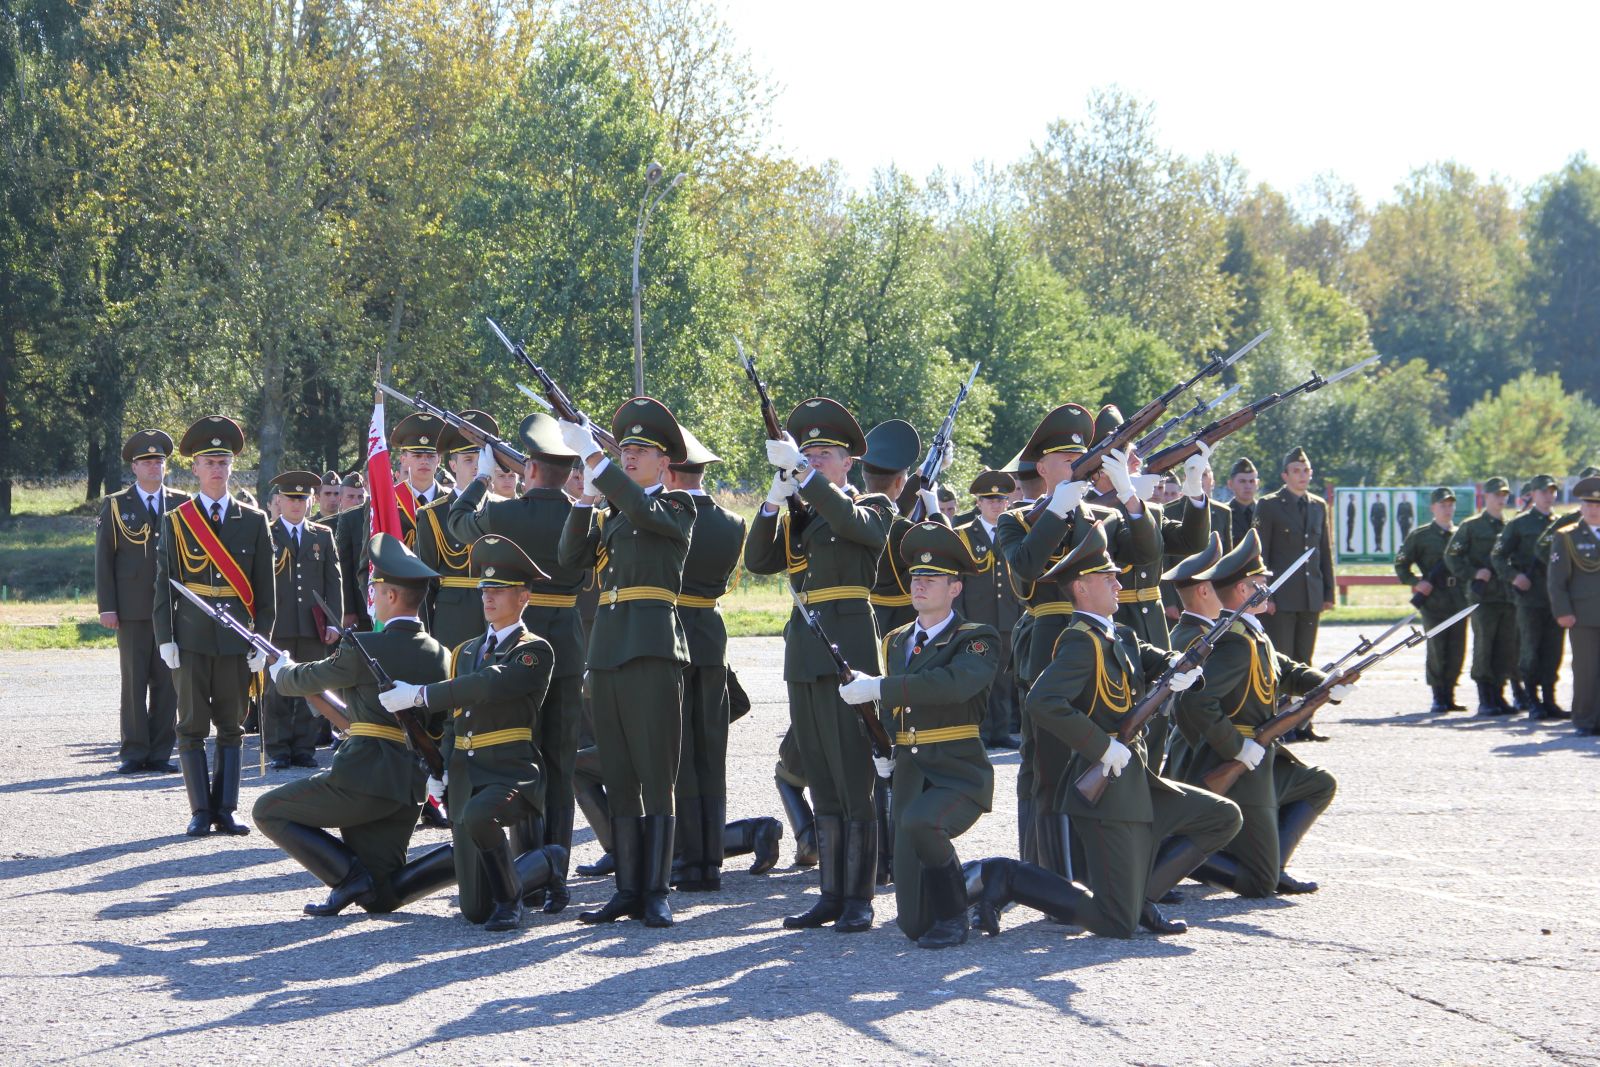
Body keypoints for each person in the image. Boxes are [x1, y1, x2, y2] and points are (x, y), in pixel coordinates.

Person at [973, 522, 1240, 938]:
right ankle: (1008, 877)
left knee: (1222, 817)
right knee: (1116, 924)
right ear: (1080, 587)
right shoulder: (1081, 641)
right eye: (1107, 576)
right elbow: (1043, 702)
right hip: (1108, 789)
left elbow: (1163, 659)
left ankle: (1143, 897)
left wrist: (1187, 673)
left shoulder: (1121, 634)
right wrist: (1101, 747)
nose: (1118, 583)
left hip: (1139, 782)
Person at [744, 397, 895, 932]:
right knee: (823, 775)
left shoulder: (873, 504)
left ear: (848, 462)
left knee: (854, 775)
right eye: (806, 452)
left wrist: (806, 479)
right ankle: (830, 893)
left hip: (847, 645)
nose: (814, 460)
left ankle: (860, 896)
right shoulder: (802, 514)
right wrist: (771, 501)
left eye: (825, 454)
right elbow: (758, 562)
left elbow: (864, 530)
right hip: (805, 652)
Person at [995, 403, 1159, 876]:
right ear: (1042, 468)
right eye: (1064, 460)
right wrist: (1058, 509)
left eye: (1079, 458)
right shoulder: (1020, 518)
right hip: (1049, 638)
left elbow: (1146, 553)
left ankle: (1095, 869)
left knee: (1098, 751)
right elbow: (1025, 567)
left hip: (1098, 647)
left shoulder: (1101, 517)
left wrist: (1129, 496)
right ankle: (1045, 872)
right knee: (1046, 764)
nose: (1073, 467)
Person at [255, 534, 457, 916]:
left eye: (376, 590)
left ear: (393, 597)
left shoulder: (365, 645)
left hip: (361, 777)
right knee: (379, 897)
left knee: (268, 809)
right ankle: (456, 862)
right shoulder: (440, 653)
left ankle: (348, 877)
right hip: (407, 786)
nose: (373, 598)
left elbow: (306, 678)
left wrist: (281, 669)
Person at [380, 535, 569, 930]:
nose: (488, 597)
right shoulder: (466, 650)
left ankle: (511, 902)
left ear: (524, 598)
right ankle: (547, 862)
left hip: (510, 771)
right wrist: (441, 769)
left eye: (499, 590)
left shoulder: (533, 650)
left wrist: (419, 695)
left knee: (483, 818)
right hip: (468, 773)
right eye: (485, 589)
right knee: (473, 909)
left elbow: (487, 685)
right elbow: (454, 720)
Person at [559, 398, 696, 928]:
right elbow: (571, 560)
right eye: (627, 449)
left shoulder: (678, 508)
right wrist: (583, 500)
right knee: (618, 773)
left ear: (665, 464)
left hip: (653, 648)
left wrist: (596, 460)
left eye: (641, 451)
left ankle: (657, 890)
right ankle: (626, 888)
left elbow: (643, 509)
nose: (631, 456)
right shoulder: (614, 512)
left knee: (654, 772)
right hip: (610, 649)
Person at [447, 413, 587, 911]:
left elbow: (457, 525)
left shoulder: (505, 514)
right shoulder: (582, 514)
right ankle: (557, 873)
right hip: (568, 647)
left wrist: (483, 478)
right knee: (559, 761)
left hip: (515, 646)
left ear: (527, 468)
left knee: (520, 760)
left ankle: (529, 866)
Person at [837, 521, 999, 949]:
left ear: (955, 588)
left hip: (957, 771)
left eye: (931, 579)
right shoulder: (896, 640)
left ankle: (957, 917)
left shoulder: (977, 640)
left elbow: (952, 685)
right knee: (912, 923)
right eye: (915, 578)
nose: (920, 585)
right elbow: (897, 710)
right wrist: (884, 746)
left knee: (923, 822)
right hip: (911, 774)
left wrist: (878, 687)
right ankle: (985, 882)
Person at [1170, 530, 1346, 897]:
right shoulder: (1233, 642)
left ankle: (1269, 861)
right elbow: (1195, 702)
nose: (1266, 587)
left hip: (1264, 756)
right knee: (1260, 884)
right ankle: (1179, 854)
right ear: (1240, 592)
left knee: (1319, 783)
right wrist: (1237, 748)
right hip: (1242, 759)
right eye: (1258, 583)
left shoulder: (1252, 634)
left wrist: (1327, 683)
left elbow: (1286, 669)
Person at [154, 415, 276, 837]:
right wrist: (165, 637)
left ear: (231, 467)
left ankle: (227, 808)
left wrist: (264, 639)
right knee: (190, 724)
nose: (218, 469)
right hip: (189, 638)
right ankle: (199, 811)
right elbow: (163, 585)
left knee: (232, 724)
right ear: (195, 468)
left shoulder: (254, 519)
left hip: (236, 640)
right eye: (209, 462)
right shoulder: (176, 520)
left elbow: (265, 589)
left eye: (224, 461)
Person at [665, 426, 770, 891]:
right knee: (712, 753)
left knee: (682, 756)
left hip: (671, 636)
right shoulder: (733, 522)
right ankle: (710, 857)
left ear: (668, 469)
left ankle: (689, 859)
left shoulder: (664, 515)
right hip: (711, 635)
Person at [97, 429, 187, 775]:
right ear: (133, 467)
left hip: (173, 608)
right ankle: (134, 750)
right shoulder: (116, 504)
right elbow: (104, 559)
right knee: (134, 680)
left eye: (159, 461)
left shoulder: (181, 503)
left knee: (168, 681)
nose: (154, 466)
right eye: (146, 461)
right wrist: (107, 606)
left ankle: (161, 751)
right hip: (132, 608)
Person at [1253, 446, 1336, 740]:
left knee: (1305, 660)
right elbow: (1259, 552)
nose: (1302, 476)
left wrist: (1328, 592)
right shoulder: (1269, 505)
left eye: (1306, 471)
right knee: (1281, 661)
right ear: (1285, 475)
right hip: (1281, 598)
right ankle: (1278, 725)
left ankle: (1303, 723)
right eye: (1296, 471)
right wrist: (1264, 595)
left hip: (1309, 595)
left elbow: (1324, 550)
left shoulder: (1317, 506)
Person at [262, 471, 343, 769]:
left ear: (310, 502)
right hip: (277, 624)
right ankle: (279, 748)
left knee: (312, 687)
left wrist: (334, 622)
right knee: (277, 688)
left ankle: (304, 748)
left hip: (313, 624)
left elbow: (333, 580)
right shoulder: (266, 533)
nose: (297, 504)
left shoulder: (322, 535)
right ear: (279, 501)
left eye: (302, 498)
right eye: (291, 498)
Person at [417, 410, 501, 651]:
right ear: (452, 465)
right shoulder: (432, 514)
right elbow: (425, 584)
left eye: (482, 459)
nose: (477, 467)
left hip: (498, 615)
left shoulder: (503, 508)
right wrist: (425, 635)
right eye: (468, 460)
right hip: (453, 619)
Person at [954, 469, 1023, 750]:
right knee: (979, 675)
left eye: (1001, 499)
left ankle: (1001, 730)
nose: (996, 504)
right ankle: (980, 730)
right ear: (978, 503)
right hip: (976, 617)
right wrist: (958, 619)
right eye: (989, 499)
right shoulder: (963, 535)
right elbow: (957, 580)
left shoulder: (1016, 532)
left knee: (1004, 677)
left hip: (1008, 616)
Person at [1493, 474, 1565, 719]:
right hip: (1530, 597)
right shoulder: (1520, 524)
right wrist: (1514, 576)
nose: (1549, 496)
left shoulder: (1563, 524)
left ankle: (1549, 700)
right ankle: (1532, 699)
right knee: (1531, 650)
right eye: (1544, 491)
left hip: (1556, 597)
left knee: (1553, 651)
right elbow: (1498, 556)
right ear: (1532, 494)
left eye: (1552, 491)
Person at [1446, 477, 1519, 716]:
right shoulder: (1471, 526)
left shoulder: (1511, 525)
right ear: (1485, 497)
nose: (1501, 499)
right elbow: (1452, 556)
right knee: (1484, 646)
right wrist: (1474, 573)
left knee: (1505, 647)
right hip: (1484, 596)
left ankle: (1499, 694)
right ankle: (1485, 697)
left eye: (1504, 494)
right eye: (1496, 494)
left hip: (1507, 596)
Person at [1394, 488, 1469, 713]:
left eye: (1450, 504)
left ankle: (1450, 694)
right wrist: (1415, 582)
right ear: (1433, 508)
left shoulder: (1461, 535)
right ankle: (1438, 696)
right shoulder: (1421, 535)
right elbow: (1401, 564)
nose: (1447, 509)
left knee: (1457, 648)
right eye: (1442, 505)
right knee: (1438, 648)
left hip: (1458, 599)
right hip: (1433, 600)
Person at [1549, 476, 1600, 737]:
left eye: (1598, 504)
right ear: (1581, 506)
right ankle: (1585, 719)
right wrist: (1563, 611)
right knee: (1586, 669)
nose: (1593, 509)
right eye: (1588, 504)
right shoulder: (1566, 537)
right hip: (1583, 616)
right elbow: (1557, 580)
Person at [1226, 458, 1260, 546]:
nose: (1248, 486)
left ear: (1257, 484)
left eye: (1252, 481)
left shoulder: (1266, 512)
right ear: (1230, 484)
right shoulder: (1223, 514)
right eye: (1242, 481)